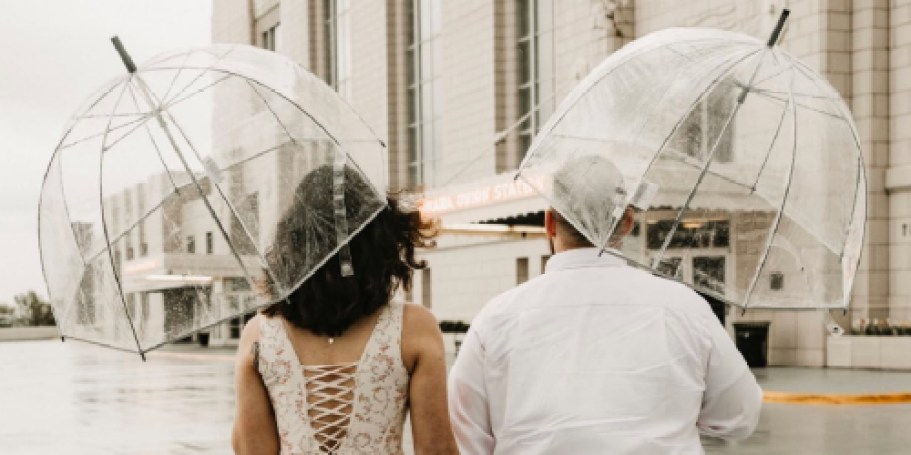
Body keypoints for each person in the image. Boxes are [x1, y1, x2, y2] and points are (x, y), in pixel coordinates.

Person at [448, 155, 762, 454]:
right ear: (627, 221)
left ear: (550, 222)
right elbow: (740, 415)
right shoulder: (685, 308)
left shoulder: (497, 317)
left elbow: (465, 436)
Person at [232, 165, 459, 455]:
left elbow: (252, 451)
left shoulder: (259, 335)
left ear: (294, 242)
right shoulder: (414, 327)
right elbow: (437, 450)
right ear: (378, 241)